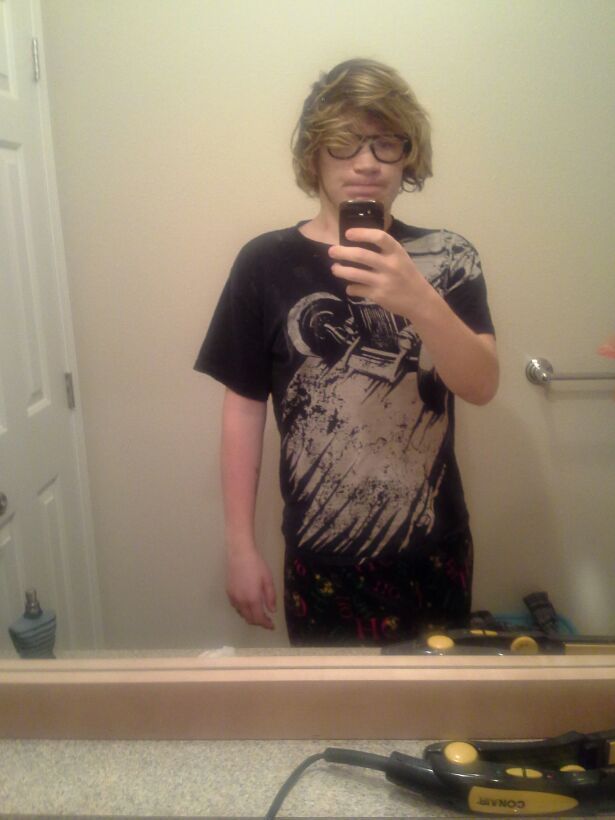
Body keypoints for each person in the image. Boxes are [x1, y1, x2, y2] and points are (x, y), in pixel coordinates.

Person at [195, 58, 498, 646]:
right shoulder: (263, 263)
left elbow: (482, 386)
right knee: (332, 702)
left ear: (408, 155)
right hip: (321, 556)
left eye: (386, 143)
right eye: (344, 142)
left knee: (437, 700)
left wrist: (418, 299)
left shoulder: (450, 256)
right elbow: (244, 408)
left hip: (433, 550)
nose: (366, 163)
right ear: (314, 153)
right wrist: (239, 546)